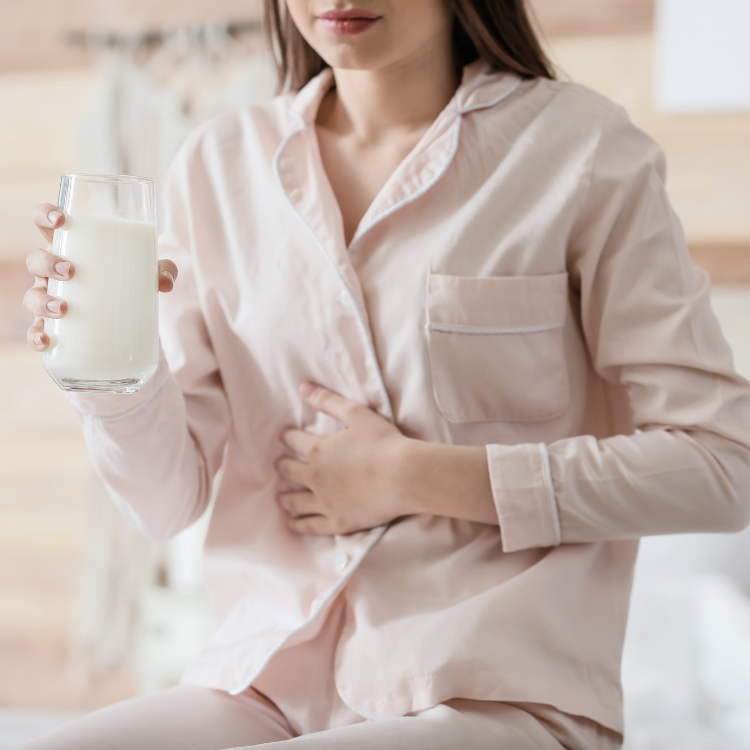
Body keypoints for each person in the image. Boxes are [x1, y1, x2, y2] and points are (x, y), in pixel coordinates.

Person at [21, 0, 750, 747]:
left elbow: (723, 466)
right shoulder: (217, 165)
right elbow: (166, 503)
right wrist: (112, 372)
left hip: (495, 696)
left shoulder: (582, 150)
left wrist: (412, 476)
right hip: (262, 685)